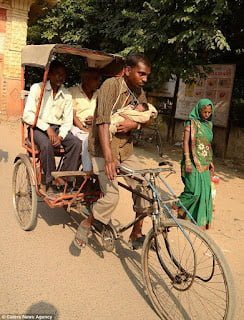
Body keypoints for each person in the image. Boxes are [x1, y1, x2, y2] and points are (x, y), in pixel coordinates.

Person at [74, 53, 153, 249]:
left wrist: (133, 124)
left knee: (144, 187)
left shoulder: (138, 91)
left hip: (125, 149)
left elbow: (148, 116)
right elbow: (102, 122)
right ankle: (88, 222)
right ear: (127, 71)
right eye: (141, 74)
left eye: (147, 75)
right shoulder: (111, 85)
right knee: (112, 196)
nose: (145, 79)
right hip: (102, 149)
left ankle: (136, 233)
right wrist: (109, 159)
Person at [22, 60, 82, 193]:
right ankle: (50, 178)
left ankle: (64, 177)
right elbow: (27, 115)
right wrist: (47, 128)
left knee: (76, 143)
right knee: (46, 145)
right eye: (57, 74)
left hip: (57, 128)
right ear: (49, 75)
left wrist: (60, 135)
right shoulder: (37, 88)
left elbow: (67, 121)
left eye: (63, 75)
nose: (60, 77)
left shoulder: (66, 94)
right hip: (37, 127)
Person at [176, 98, 215, 229]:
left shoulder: (209, 125)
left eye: (209, 112)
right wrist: (187, 160)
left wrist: (210, 162)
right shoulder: (191, 123)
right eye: (204, 112)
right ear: (199, 110)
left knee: (204, 191)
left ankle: (193, 219)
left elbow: (207, 145)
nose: (207, 115)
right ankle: (176, 206)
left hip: (205, 162)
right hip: (191, 161)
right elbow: (185, 142)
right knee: (193, 191)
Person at [69, 68, 101, 171]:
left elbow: (103, 113)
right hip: (76, 128)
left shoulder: (99, 94)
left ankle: (94, 171)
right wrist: (83, 128)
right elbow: (73, 116)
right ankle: (87, 172)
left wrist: (95, 119)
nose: (98, 82)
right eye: (95, 79)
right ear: (86, 80)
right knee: (88, 141)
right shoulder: (72, 91)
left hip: (94, 127)